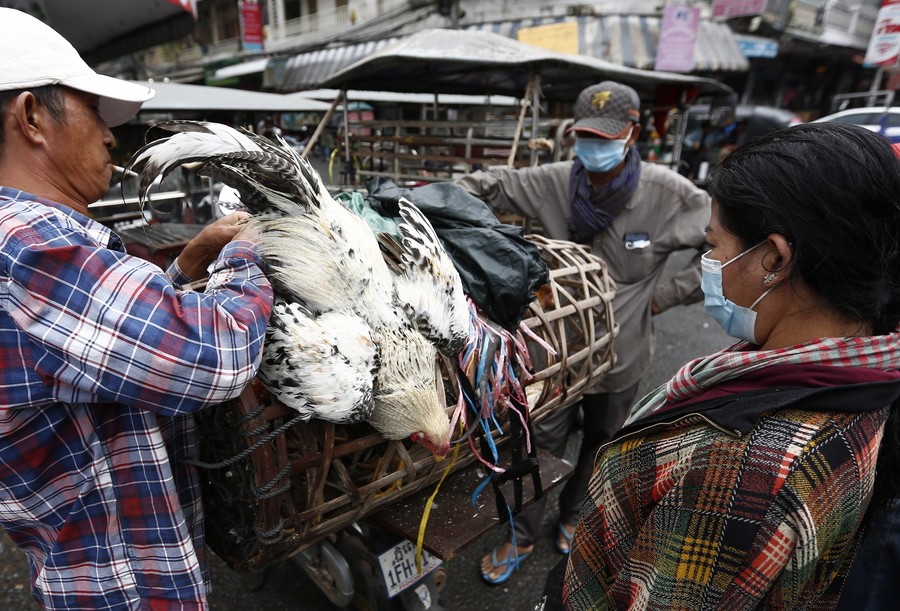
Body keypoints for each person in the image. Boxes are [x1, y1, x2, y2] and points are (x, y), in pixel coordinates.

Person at [560, 122, 900, 609]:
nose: (709, 261)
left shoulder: (742, 469)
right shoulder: (863, 367)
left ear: (774, 258)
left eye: (714, 246)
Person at [0, 8, 273, 609]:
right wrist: (247, 254)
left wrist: (189, 266)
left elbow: (92, 357)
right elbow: (216, 353)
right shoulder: (30, 248)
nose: (110, 136)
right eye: (94, 112)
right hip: (119, 591)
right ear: (31, 117)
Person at [454, 81, 711, 584]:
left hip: (622, 356)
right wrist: (446, 217)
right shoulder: (553, 181)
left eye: (606, 137)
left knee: (603, 441)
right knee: (534, 444)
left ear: (632, 134)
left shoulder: (668, 194)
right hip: (555, 355)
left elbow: (726, 244)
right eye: (586, 137)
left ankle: (573, 514)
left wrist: (665, 295)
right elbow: (487, 185)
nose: (595, 148)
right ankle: (522, 532)